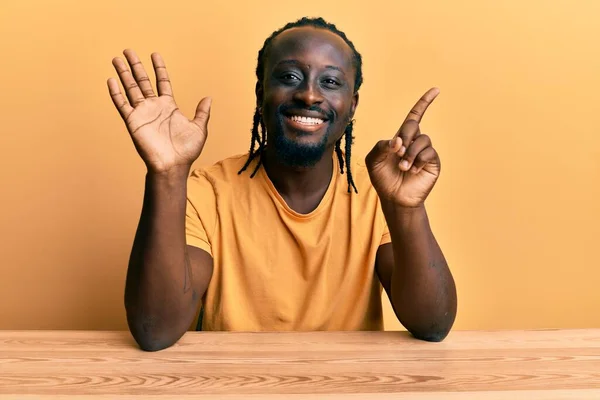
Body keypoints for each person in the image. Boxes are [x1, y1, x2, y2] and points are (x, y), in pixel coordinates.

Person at [107, 17, 457, 351]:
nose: (308, 95)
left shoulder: (375, 195)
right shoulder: (207, 192)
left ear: (352, 106)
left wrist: (406, 209)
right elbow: (155, 329)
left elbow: (432, 323)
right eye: (289, 76)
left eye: (330, 82)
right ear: (261, 94)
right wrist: (166, 175)